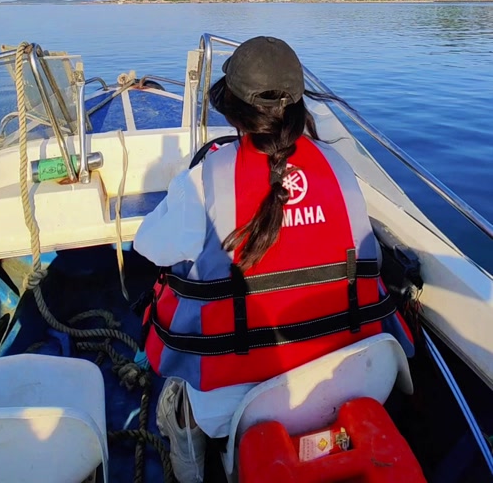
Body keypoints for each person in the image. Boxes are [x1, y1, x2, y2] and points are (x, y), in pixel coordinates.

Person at [134, 36, 402, 483]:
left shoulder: (203, 182)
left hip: (238, 408)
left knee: (178, 397)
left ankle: (190, 469)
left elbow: (148, 247)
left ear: (232, 111)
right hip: (361, 379)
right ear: (299, 107)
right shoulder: (339, 166)